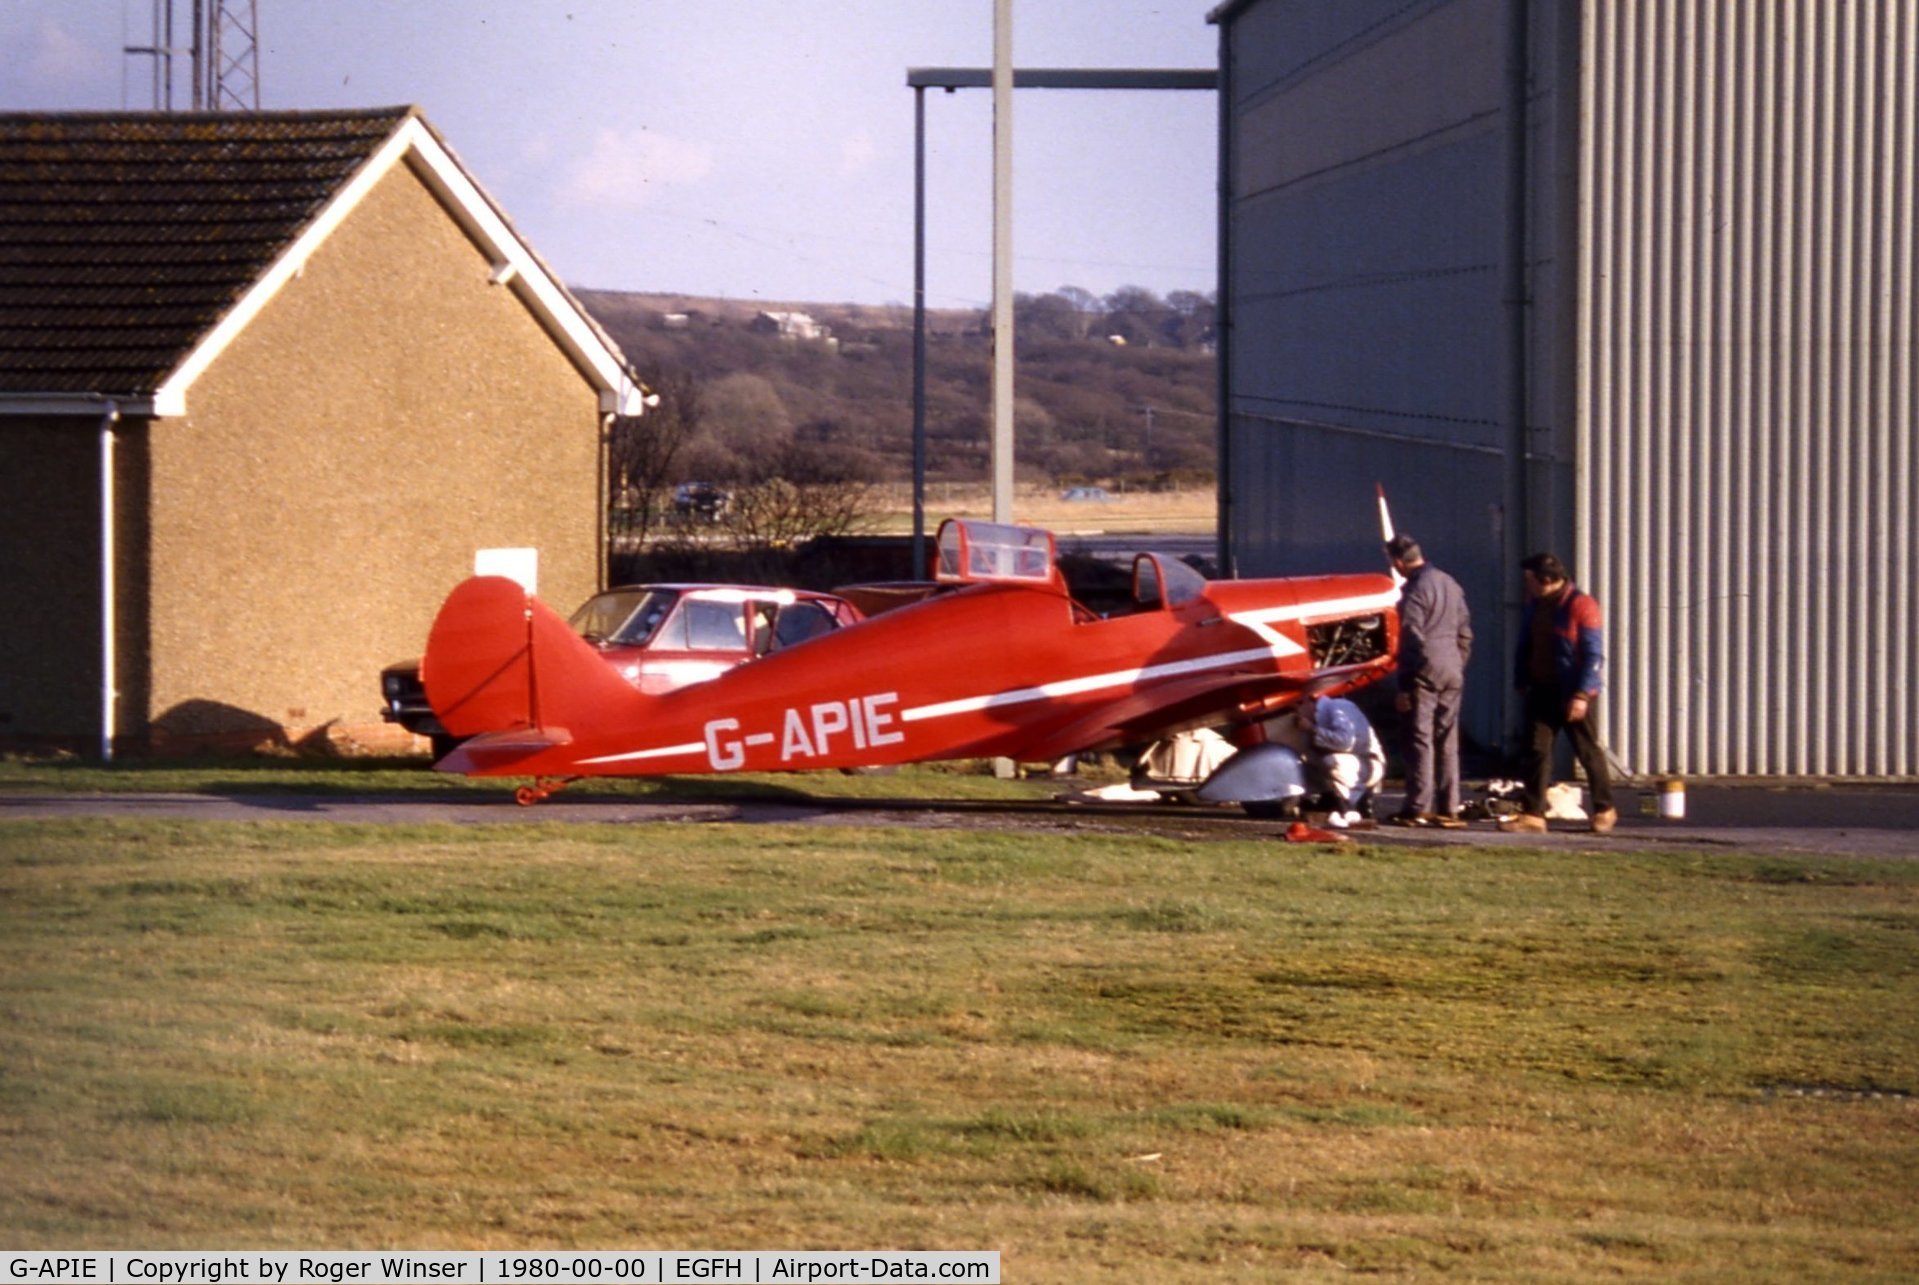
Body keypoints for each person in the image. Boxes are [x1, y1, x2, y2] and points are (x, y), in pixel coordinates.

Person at [1500, 552, 1617, 834]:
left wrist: (1581, 695)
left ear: (1547, 580)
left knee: (1587, 751)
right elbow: (1526, 643)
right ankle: (1533, 814)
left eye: (1530, 579)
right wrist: (1522, 677)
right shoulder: (1535, 604)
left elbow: (1593, 654)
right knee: (1537, 751)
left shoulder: (1582, 605)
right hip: (1541, 689)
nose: (1526, 585)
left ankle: (1605, 809)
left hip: (1571, 691)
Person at [1384, 534, 1472, 828]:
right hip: (1452, 665)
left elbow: (1411, 638)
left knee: (1420, 738)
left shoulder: (1415, 590)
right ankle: (1450, 806)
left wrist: (1406, 685)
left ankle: (1418, 806)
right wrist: (1458, 661)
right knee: (1448, 738)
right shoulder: (1450, 583)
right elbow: (1465, 632)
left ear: (1398, 562)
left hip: (1426, 667)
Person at [1297, 693, 1386, 829]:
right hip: (1354, 764)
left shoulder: (1339, 706)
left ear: (1307, 702)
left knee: (1333, 761)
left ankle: (1350, 806)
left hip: (1368, 764)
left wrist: (1312, 729)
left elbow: (1345, 742)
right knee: (1306, 762)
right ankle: (1330, 801)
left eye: (1298, 707)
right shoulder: (1322, 716)